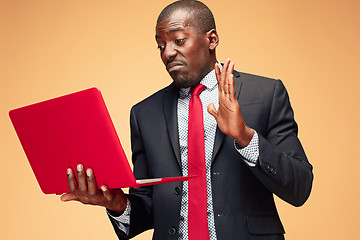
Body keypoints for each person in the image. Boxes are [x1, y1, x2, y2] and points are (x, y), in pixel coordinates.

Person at [60, 1, 313, 239]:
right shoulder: (144, 114)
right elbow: (147, 205)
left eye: (178, 40)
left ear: (211, 39)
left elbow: (300, 187)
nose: (168, 52)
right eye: (161, 45)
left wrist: (245, 137)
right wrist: (116, 204)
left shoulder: (266, 94)